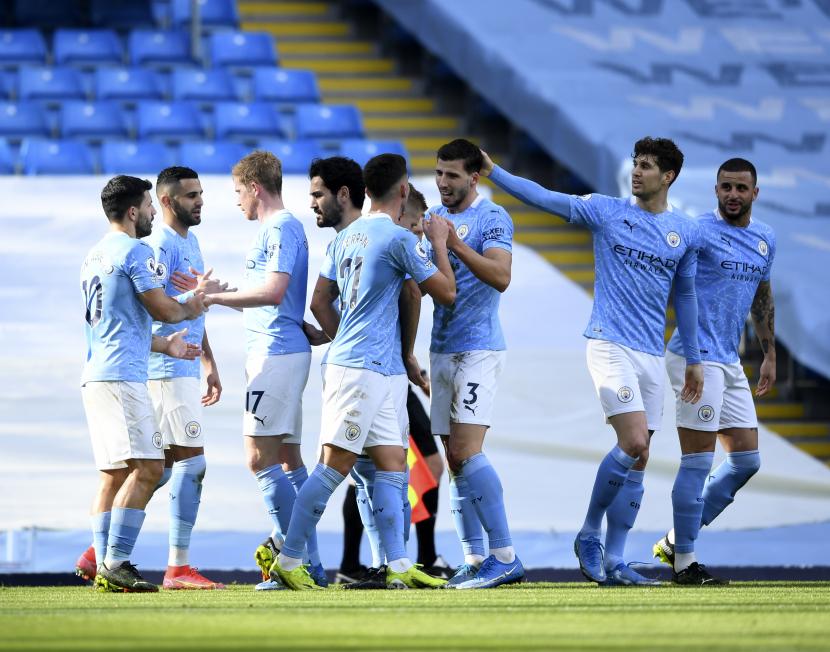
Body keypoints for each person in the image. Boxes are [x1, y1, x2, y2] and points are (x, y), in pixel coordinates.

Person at [480, 137, 704, 586]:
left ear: (669, 176)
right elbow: (545, 198)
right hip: (608, 343)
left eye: (646, 166)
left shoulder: (686, 231)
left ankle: (617, 561)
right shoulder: (606, 210)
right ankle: (588, 533)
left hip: (650, 354)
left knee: (639, 460)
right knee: (635, 442)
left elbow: (686, 293)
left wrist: (694, 358)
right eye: (635, 163)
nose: (637, 172)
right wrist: (494, 173)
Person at [270, 153, 456, 590]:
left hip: (377, 367)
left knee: (394, 465)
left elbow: (319, 300)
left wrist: (346, 338)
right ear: (404, 190)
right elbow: (444, 292)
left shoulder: (345, 238)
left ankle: (397, 563)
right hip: (363, 370)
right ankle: (289, 558)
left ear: (365, 190)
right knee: (334, 466)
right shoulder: (398, 239)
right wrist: (441, 244)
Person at [202, 151, 324, 589]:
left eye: (237, 191)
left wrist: (215, 300)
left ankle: (293, 563)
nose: (236, 201)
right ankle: (310, 563)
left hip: (275, 354)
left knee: (259, 458)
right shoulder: (278, 229)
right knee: (288, 458)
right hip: (277, 349)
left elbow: (274, 293)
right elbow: (275, 298)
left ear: (254, 188)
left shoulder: (281, 227)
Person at [81, 175, 206, 592]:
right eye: (149, 206)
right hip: (122, 378)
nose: (153, 212)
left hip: (97, 374)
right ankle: (115, 563)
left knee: (115, 474)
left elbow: (118, 324)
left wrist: (165, 348)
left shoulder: (94, 254)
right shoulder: (133, 251)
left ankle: (103, 563)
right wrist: (197, 304)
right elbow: (165, 309)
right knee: (151, 467)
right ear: (133, 211)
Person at [653, 158, 776, 585]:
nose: (733, 195)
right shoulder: (698, 231)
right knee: (698, 462)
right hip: (693, 356)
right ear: (716, 190)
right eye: (726, 187)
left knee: (746, 460)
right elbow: (668, 279)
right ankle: (685, 563)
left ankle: (673, 540)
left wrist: (770, 352)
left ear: (755, 193)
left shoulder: (764, 239)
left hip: (728, 358)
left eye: (741, 188)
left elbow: (761, 293)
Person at [421, 138, 524, 590]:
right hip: (441, 348)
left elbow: (501, 278)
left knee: (466, 452)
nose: (443, 182)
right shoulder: (433, 222)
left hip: (478, 348)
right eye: (439, 173)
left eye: (453, 175)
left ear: (474, 178)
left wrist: (453, 243)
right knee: (454, 459)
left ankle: (505, 555)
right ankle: (475, 557)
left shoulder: (492, 217)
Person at [143, 166, 228, 589]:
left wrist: (209, 361)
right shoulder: (159, 246)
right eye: (191, 195)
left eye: (201, 193)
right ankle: (178, 568)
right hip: (165, 368)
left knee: (156, 469)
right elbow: (150, 309)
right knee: (192, 464)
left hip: (186, 366)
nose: (200, 201)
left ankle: (95, 553)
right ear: (165, 201)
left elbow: (193, 309)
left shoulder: (190, 242)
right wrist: (187, 298)